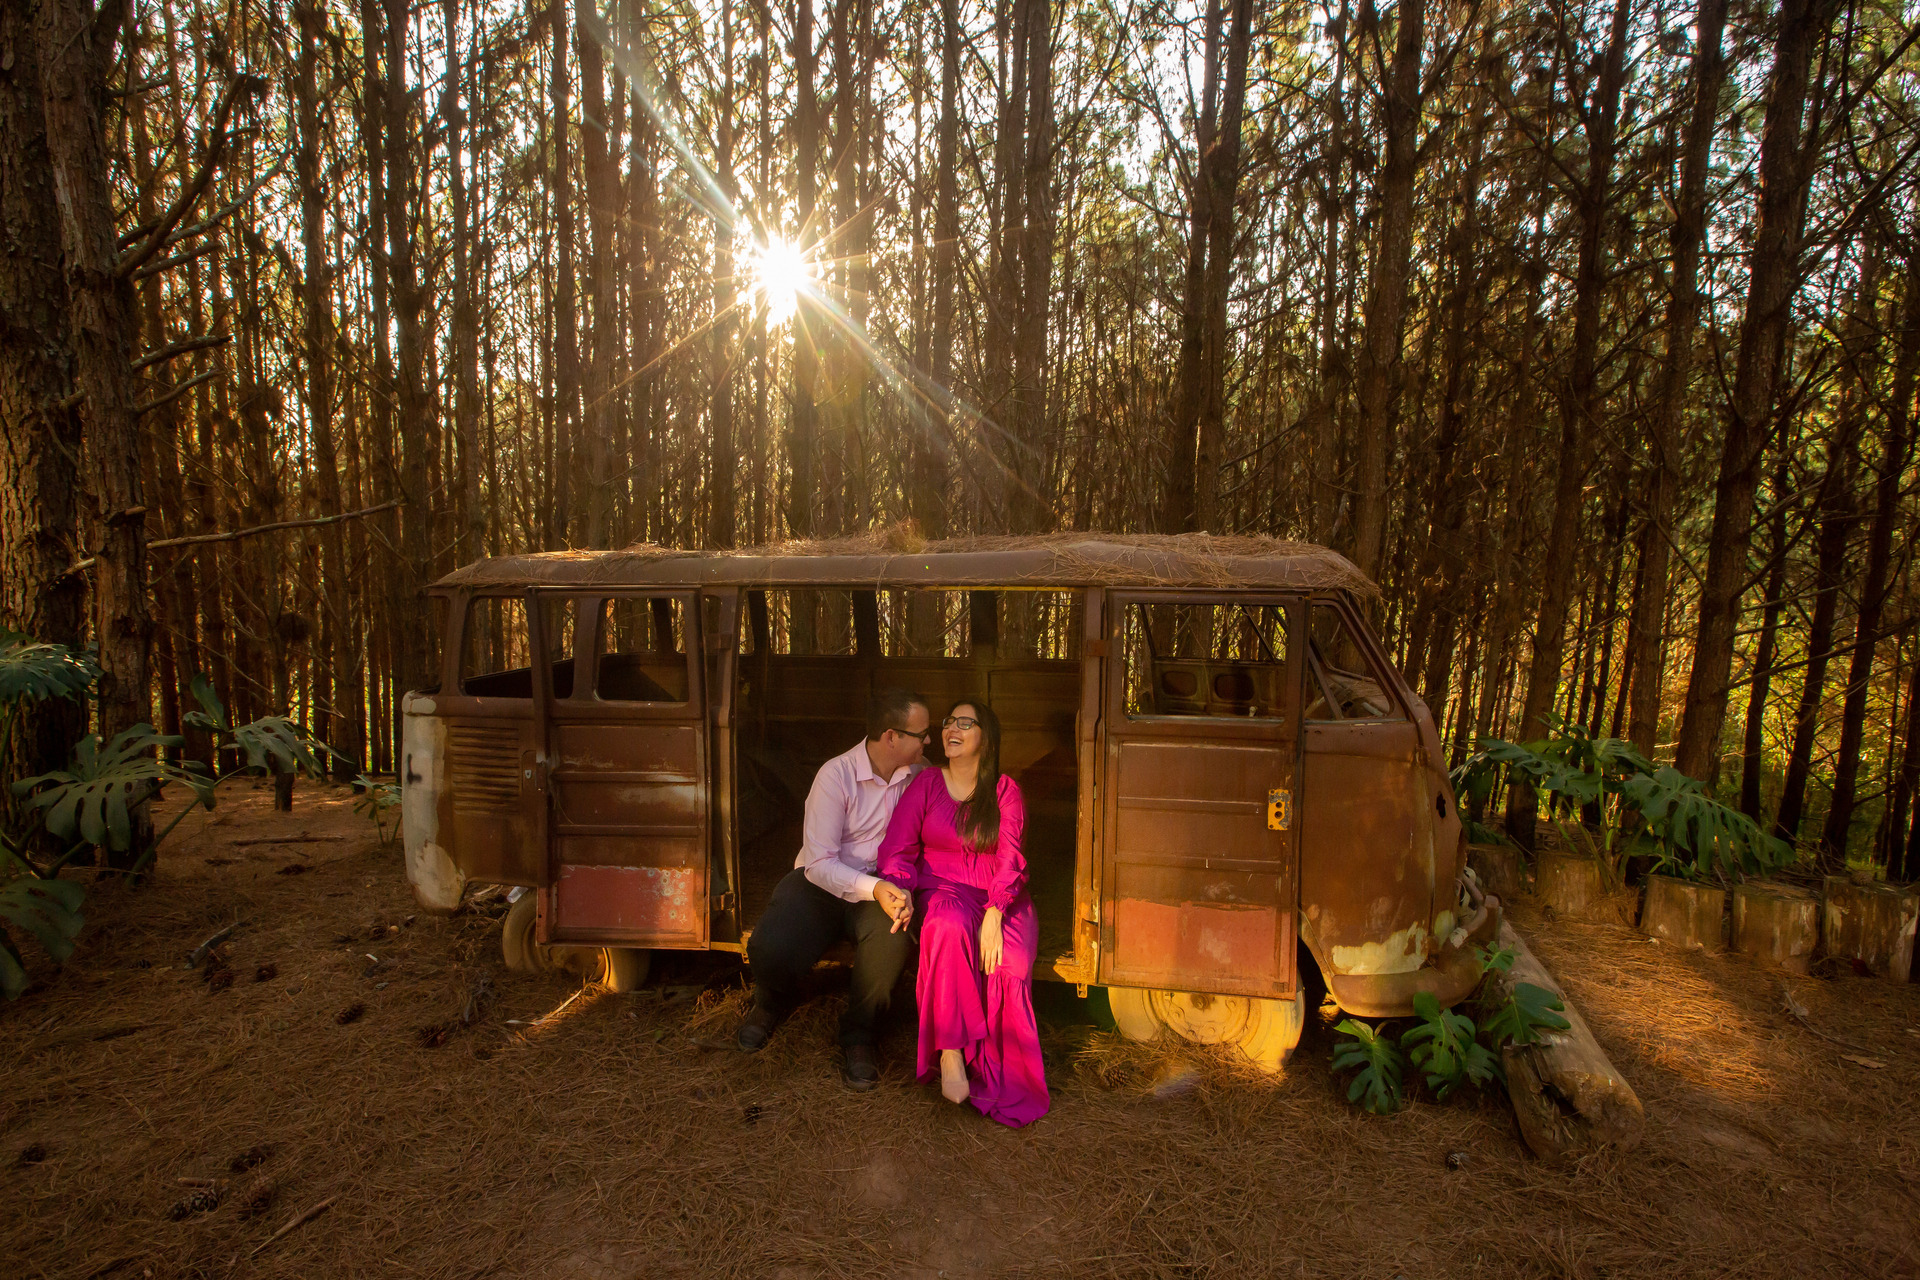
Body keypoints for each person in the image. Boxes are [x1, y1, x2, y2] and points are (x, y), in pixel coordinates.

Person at [738, 688, 930, 1090]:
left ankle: (860, 1033)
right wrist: (873, 887)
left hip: (883, 883)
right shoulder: (835, 775)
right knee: (770, 947)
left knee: (892, 947)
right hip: (822, 881)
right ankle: (770, 1000)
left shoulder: (919, 774)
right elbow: (820, 863)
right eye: (920, 734)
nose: (928, 740)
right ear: (891, 737)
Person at [875, 701, 1050, 1127]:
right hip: (944, 888)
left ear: (985, 739)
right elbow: (898, 845)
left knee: (1010, 960)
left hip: (1000, 894)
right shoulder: (927, 784)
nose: (952, 728)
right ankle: (951, 1050)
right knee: (947, 926)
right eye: (949, 721)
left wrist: (995, 911)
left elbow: (1011, 856)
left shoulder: (1005, 791)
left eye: (965, 723)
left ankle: (997, 1073)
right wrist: (899, 886)